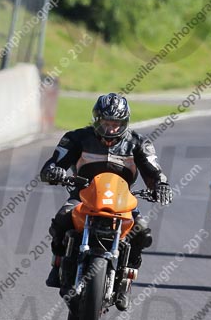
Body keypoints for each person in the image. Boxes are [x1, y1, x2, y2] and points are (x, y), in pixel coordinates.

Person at [40, 92, 173, 288]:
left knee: (141, 230)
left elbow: (154, 171)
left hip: (123, 201)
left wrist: (161, 186)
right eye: (106, 123)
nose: (110, 129)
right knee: (62, 217)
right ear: (96, 120)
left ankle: (129, 274)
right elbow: (51, 165)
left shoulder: (138, 143)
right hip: (83, 196)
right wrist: (54, 171)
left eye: (116, 124)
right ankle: (58, 262)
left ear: (125, 122)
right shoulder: (76, 138)